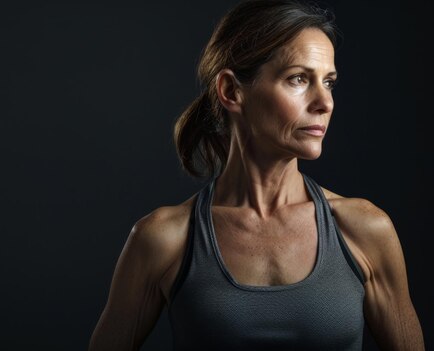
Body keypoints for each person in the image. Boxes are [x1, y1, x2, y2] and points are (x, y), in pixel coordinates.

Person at [88, 0, 425, 350]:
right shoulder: (164, 240)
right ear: (232, 91)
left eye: (329, 82)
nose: (325, 102)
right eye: (299, 79)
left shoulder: (365, 229)